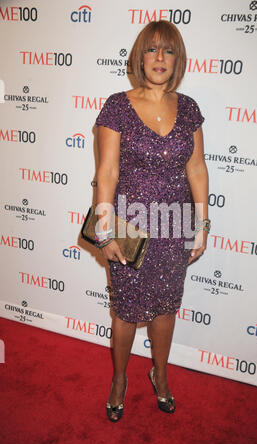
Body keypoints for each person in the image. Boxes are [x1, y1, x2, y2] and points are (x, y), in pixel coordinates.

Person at [94, 20, 209, 422]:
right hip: (128, 226)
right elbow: (106, 174)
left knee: (165, 309)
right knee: (125, 312)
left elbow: (197, 169)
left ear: (177, 58)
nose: (160, 57)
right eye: (151, 49)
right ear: (140, 56)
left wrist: (202, 224)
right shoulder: (117, 105)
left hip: (175, 224)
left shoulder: (189, 107)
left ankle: (159, 374)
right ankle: (120, 379)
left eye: (168, 50)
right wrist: (104, 230)